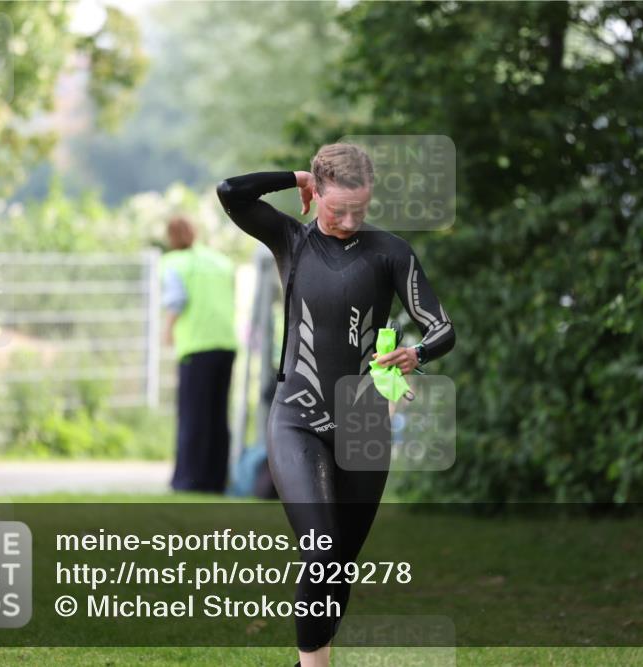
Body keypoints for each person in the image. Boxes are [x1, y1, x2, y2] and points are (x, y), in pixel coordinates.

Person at [216, 143, 455, 667]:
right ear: (317, 192)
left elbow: (443, 328)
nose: (348, 220)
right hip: (297, 416)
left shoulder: (390, 252)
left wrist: (416, 352)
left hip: (365, 424)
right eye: (337, 208)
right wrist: (292, 175)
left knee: (340, 562)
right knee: (321, 549)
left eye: (360, 210)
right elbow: (231, 192)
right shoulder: (290, 240)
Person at [160, 215, 237, 493]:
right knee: (218, 416)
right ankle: (216, 480)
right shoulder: (221, 262)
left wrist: (166, 331)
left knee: (193, 415)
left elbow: (176, 301)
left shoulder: (174, 263)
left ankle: (188, 480)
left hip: (196, 347)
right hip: (226, 346)